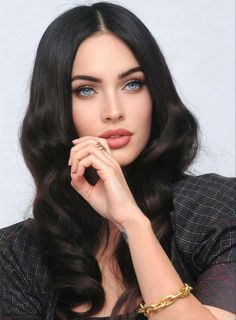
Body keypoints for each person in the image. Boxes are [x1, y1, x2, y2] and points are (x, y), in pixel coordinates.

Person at [0, 2, 235, 320]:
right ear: (56, 107)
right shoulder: (17, 255)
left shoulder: (215, 210)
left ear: (156, 93)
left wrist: (132, 222)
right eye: (86, 90)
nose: (113, 110)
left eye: (132, 84)